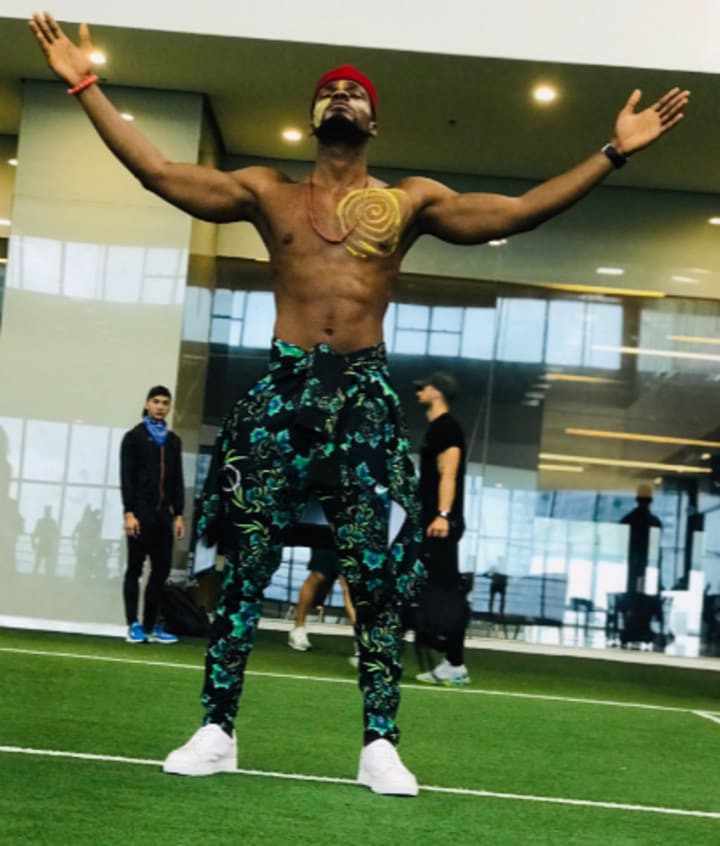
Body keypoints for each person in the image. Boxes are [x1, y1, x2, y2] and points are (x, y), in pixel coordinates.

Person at [29, 12, 689, 797]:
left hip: (364, 403)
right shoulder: (269, 194)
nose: (341, 95)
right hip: (281, 395)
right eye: (329, 90)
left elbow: (518, 213)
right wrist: (84, 84)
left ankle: (379, 743)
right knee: (244, 571)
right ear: (314, 116)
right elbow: (158, 173)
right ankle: (217, 729)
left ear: (373, 120)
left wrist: (612, 153)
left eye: (355, 91)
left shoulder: (408, 202)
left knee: (375, 581)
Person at [413, 372, 470, 686]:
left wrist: (443, 515)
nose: (418, 392)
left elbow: (449, 473)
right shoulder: (436, 429)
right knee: (432, 588)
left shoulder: (447, 428)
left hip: (441, 525)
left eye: (423, 387)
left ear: (437, 392)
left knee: (446, 591)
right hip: (430, 522)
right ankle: (451, 660)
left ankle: (455, 662)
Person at [120, 385, 185, 644]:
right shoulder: (133, 437)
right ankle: (133, 624)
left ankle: (151, 624)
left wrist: (178, 514)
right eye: (156, 401)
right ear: (147, 404)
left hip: (163, 516)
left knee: (161, 571)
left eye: (165, 403)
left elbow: (177, 479)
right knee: (134, 569)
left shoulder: (173, 441)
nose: (160, 406)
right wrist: (129, 512)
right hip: (140, 513)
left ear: (169, 407)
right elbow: (126, 477)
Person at [288, 546, 356, 651]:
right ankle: (298, 628)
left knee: (349, 584)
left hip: (355, 542)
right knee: (318, 575)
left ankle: (362, 639)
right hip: (328, 540)